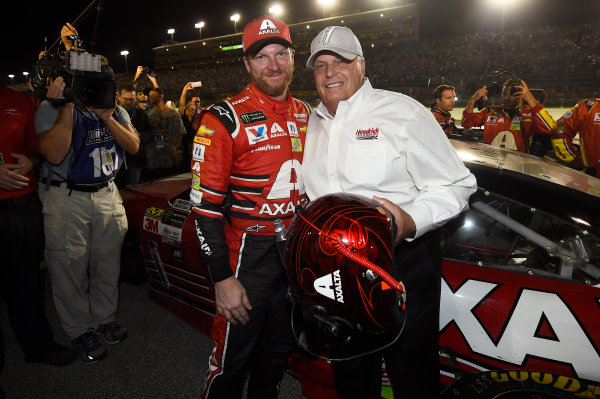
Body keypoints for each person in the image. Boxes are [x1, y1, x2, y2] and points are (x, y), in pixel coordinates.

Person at [302, 26, 477, 398]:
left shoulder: (402, 112)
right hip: (336, 269)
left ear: (361, 66)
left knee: (412, 375)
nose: (329, 72)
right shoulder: (311, 124)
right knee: (350, 373)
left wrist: (409, 220)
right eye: (320, 65)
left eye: (340, 61)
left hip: (403, 263)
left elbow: (457, 185)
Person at [191, 15, 311, 399]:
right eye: (262, 57)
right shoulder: (223, 117)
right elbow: (204, 207)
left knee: (277, 354)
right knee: (231, 359)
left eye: (281, 54)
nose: (273, 65)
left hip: (294, 252)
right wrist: (222, 279)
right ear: (246, 63)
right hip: (247, 255)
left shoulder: (309, 114)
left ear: (293, 58)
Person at [35, 28, 139, 364]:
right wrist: (66, 108)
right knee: (69, 267)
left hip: (107, 193)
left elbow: (134, 146)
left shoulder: (113, 107)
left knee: (109, 264)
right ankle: (80, 329)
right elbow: (52, 154)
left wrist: (108, 117)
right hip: (67, 197)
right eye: (85, 79)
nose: (91, 85)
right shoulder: (53, 107)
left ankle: (105, 320)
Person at [0, 84, 77, 369]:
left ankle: (38, 346)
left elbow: (37, 148)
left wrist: (31, 161)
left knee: (28, 284)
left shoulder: (17, 99)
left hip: (22, 205)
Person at [462, 78, 555, 153]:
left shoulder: (530, 113)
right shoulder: (490, 111)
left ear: (521, 94)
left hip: (517, 169)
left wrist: (530, 98)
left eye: (511, 94)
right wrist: (473, 100)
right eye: (504, 94)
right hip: (491, 166)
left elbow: (549, 128)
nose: (506, 98)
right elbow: (466, 123)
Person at [144, 87, 186, 181]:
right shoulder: (147, 115)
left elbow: (179, 134)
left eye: (153, 95)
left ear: (161, 96)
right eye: (149, 95)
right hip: (153, 158)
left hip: (169, 157)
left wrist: (179, 151)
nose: (150, 97)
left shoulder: (173, 114)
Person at [551, 96, 600, 177]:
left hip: (592, 179)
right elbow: (559, 128)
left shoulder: (589, 105)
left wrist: (571, 158)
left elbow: (559, 127)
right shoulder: (588, 106)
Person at [116, 84, 151, 186]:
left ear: (135, 99)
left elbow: (149, 134)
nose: (127, 102)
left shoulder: (142, 115)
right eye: (125, 99)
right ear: (119, 97)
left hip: (134, 161)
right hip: (116, 160)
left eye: (131, 99)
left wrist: (137, 136)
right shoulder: (111, 115)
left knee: (133, 191)